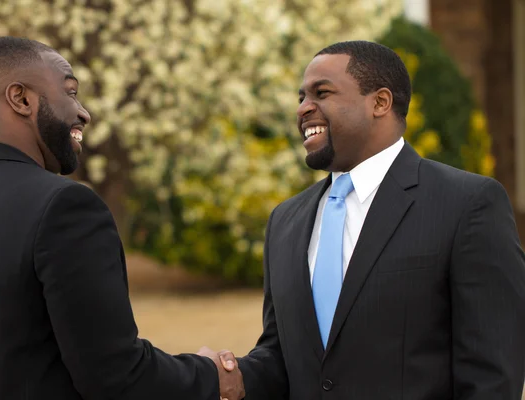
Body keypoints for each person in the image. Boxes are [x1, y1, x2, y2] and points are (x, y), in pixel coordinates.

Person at [0, 36, 244, 400]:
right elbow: (117, 376)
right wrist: (212, 375)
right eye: (70, 92)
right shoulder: (64, 207)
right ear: (22, 99)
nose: (84, 113)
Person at [208, 40, 525, 399]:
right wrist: (223, 374)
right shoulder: (285, 221)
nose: (303, 109)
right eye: (301, 98)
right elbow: (282, 360)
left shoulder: (467, 204)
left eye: (321, 93)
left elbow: (492, 377)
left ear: (380, 102)